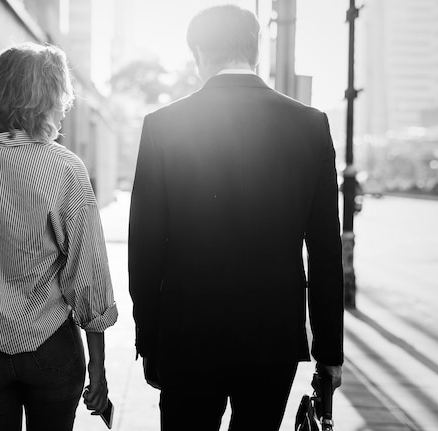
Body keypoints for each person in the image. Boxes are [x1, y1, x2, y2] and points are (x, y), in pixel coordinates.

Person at [128, 5, 344, 430]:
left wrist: (149, 340)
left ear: (198, 53)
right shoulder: (311, 125)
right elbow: (324, 250)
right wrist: (329, 353)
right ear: (256, 51)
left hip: (187, 335)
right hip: (272, 336)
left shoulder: (163, 125)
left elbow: (145, 247)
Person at [0, 42, 117, 431]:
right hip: (51, 348)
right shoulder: (65, 167)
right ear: (46, 99)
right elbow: (89, 277)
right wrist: (97, 368)